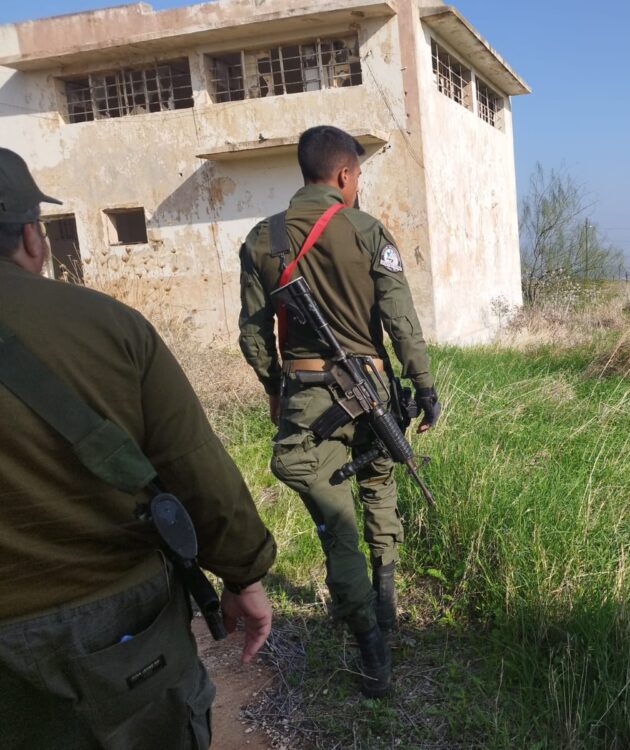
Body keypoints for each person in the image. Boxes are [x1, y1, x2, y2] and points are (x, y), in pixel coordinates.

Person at [0, 147, 277, 750]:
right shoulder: (109, 326)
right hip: (120, 623)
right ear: (31, 237)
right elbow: (193, 462)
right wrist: (244, 574)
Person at [238, 125, 440, 698]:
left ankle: (370, 643)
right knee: (377, 488)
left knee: (337, 529)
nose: (358, 187)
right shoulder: (368, 231)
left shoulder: (262, 239)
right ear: (345, 175)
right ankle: (384, 606)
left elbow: (253, 336)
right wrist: (424, 386)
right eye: (359, 178)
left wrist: (278, 387)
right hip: (372, 388)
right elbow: (401, 320)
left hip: (306, 395)